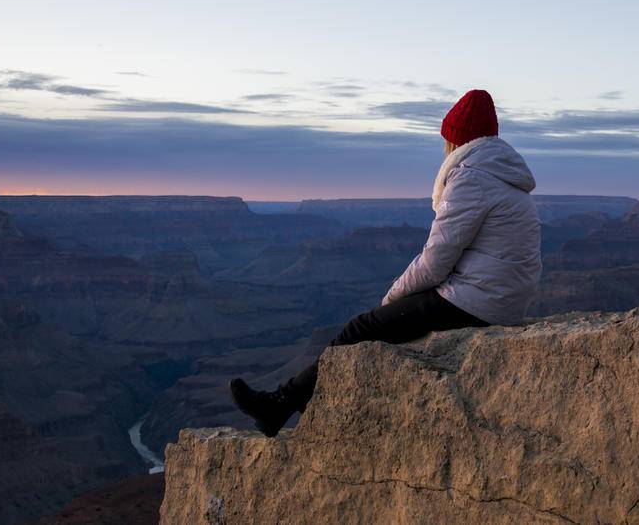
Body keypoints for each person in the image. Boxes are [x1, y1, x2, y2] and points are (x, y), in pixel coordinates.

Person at [229, 88, 542, 436]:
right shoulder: (504, 178)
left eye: (446, 140)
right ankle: (284, 403)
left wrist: (392, 299)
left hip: (476, 302)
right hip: (502, 299)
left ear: (456, 141)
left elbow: (435, 261)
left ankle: (278, 406)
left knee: (359, 329)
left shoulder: (471, 178)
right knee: (372, 327)